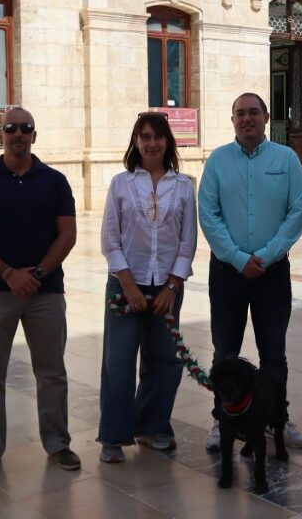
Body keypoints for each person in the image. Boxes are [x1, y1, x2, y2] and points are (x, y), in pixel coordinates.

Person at [0, 107, 80, 478]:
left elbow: (68, 233)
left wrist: (39, 273)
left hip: (46, 293)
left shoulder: (55, 182)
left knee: (52, 373)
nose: (18, 134)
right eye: (11, 128)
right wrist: (8, 273)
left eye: (25, 128)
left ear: (34, 135)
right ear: (1, 134)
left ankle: (58, 443)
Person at [198, 92, 302, 451]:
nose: (246, 119)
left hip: (271, 274)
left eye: (253, 112)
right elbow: (208, 214)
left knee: (274, 354)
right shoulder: (218, 161)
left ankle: (278, 420)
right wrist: (236, 258)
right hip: (227, 273)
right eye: (240, 113)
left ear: (266, 117)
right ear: (233, 120)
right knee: (224, 353)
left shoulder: (286, 158)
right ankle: (222, 421)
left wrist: (265, 256)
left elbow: (297, 212)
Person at [97, 112, 198, 463]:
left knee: (165, 359)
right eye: (145, 137)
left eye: (158, 136)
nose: (151, 143)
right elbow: (110, 239)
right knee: (118, 360)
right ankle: (113, 436)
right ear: (136, 142)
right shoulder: (121, 184)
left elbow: (187, 242)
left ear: (168, 141)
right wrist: (128, 285)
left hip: (167, 287)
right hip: (125, 284)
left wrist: (172, 286)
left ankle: (153, 427)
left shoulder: (183, 186)